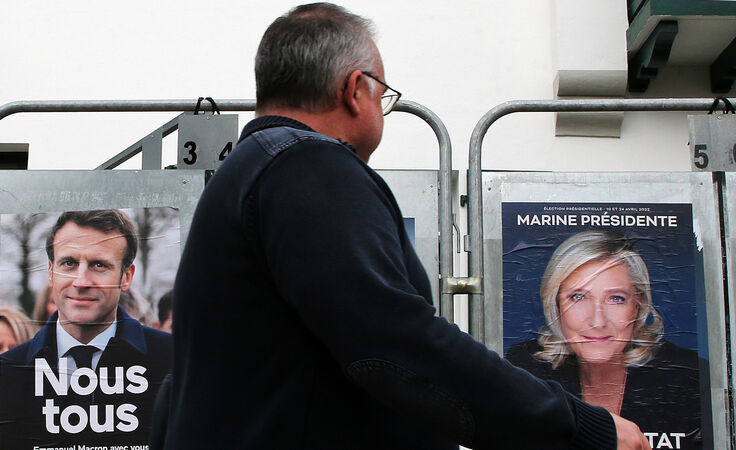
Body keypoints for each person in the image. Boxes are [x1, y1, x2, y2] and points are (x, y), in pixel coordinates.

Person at [167, 3, 649, 449]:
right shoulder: (308, 167)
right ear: (355, 90)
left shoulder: (245, 176)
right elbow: (396, 345)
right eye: (383, 95)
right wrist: (580, 427)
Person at [506, 230, 702, 446]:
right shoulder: (526, 368)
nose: (597, 321)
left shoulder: (687, 378)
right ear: (556, 305)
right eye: (578, 297)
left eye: (616, 299)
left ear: (638, 306)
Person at [0, 209, 172, 449]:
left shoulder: (172, 361)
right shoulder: (6, 373)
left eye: (99, 265)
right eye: (69, 263)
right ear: (51, 272)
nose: (81, 282)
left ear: (126, 277)